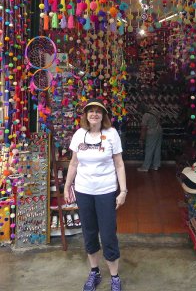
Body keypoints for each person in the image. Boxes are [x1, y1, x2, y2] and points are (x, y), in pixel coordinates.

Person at [64, 98, 127, 291]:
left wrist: (123, 190)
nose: (94, 114)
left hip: (105, 191)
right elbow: (74, 163)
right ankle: (94, 272)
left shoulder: (112, 134)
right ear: (86, 115)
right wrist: (67, 187)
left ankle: (115, 277)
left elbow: (119, 164)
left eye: (98, 111)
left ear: (103, 115)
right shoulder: (79, 134)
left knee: (108, 235)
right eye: (90, 111)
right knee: (89, 233)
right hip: (83, 191)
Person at [137, 102, 163, 172]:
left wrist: (141, 138)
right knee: (157, 148)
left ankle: (145, 167)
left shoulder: (146, 115)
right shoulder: (154, 111)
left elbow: (143, 128)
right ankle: (156, 166)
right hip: (159, 130)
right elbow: (160, 121)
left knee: (149, 149)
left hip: (151, 132)